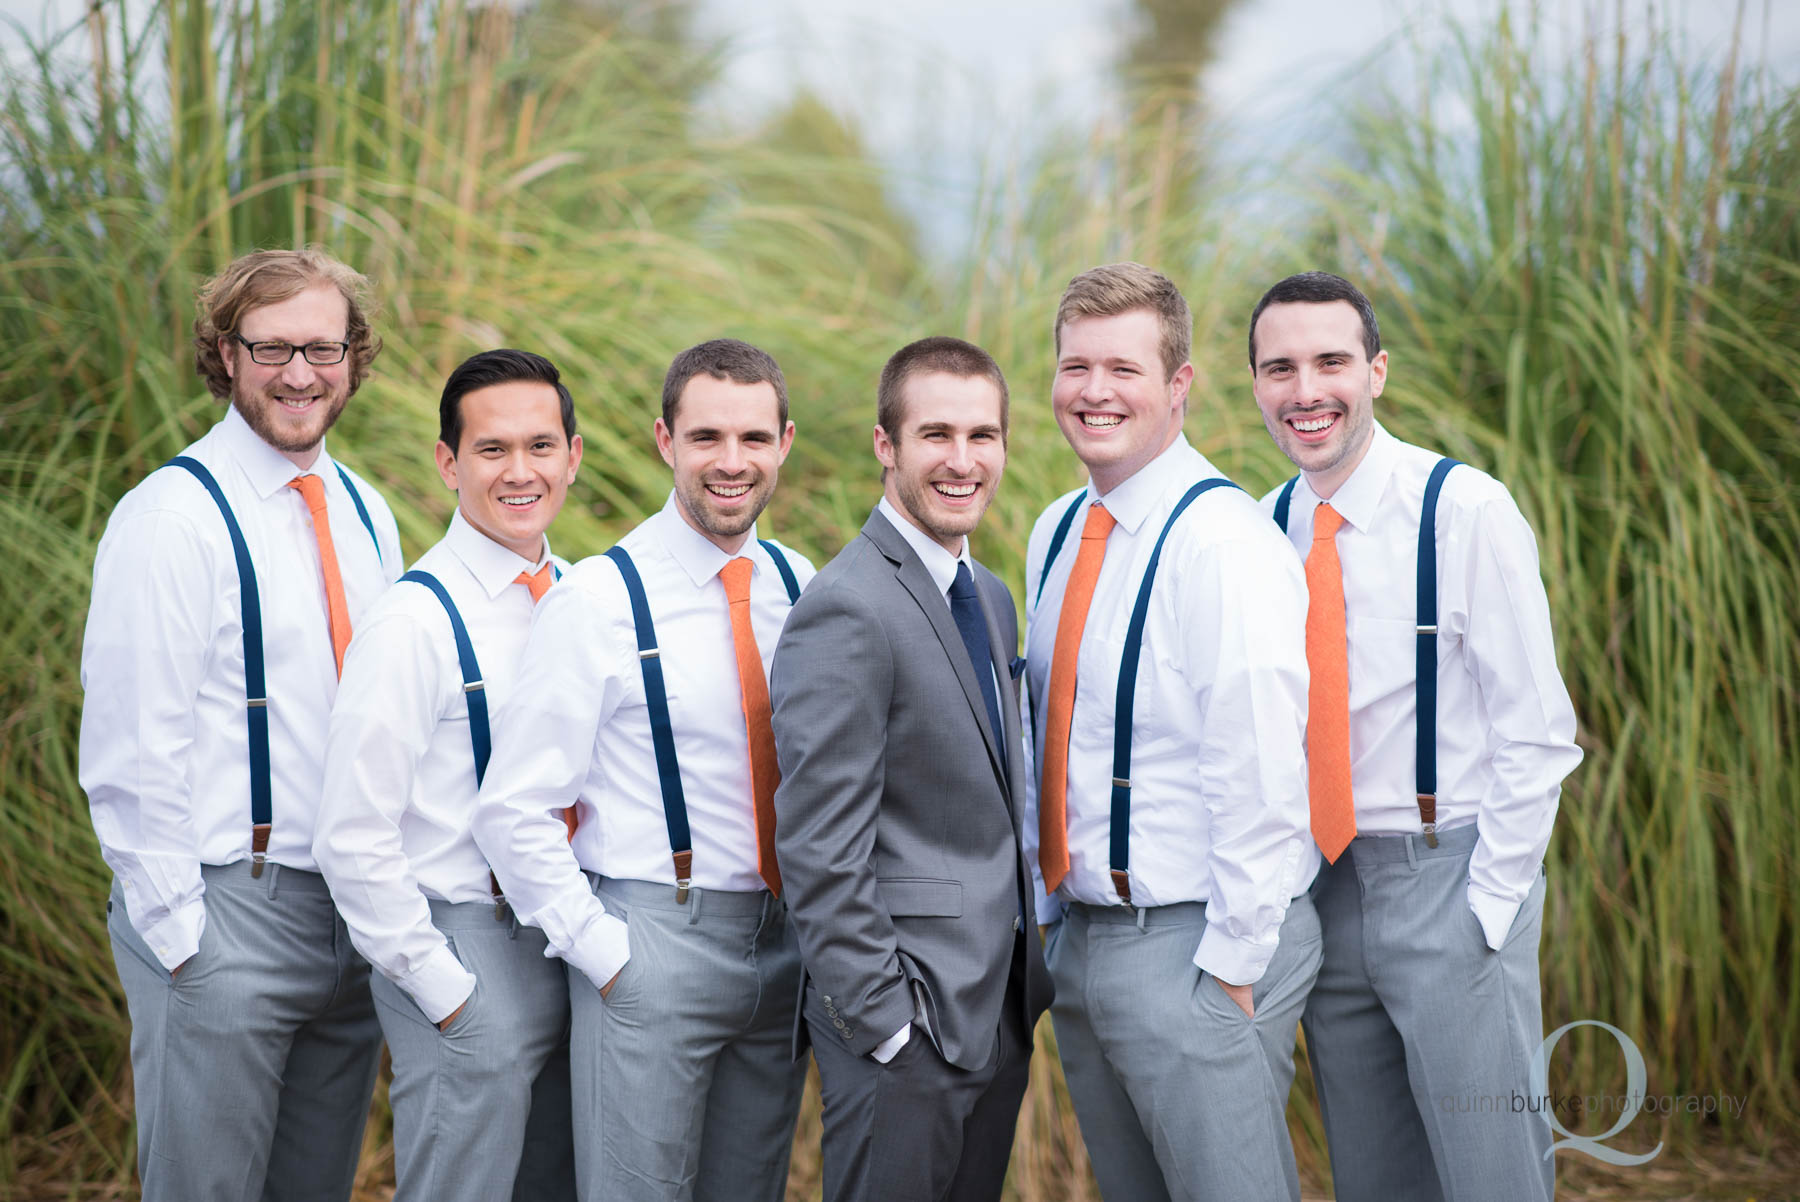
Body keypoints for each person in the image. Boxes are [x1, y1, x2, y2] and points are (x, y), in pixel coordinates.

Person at [1248, 270, 1582, 1202]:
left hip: (1452, 874)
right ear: (1257, 388)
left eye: (1330, 362)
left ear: (1377, 371)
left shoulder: (1464, 509)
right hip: (1327, 885)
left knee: (1491, 1175)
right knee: (1374, 1172)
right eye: (1280, 368)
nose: (1305, 390)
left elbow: (1539, 730)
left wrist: (1491, 903)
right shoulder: (1264, 529)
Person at [78, 247, 402, 1201]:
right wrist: (184, 941)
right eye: (271, 348)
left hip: (349, 918)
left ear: (353, 357)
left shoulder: (365, 512)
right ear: (225, 353)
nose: (300, 373)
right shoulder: (170, 518)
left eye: (322, 347)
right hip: (224, 911)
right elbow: (133, 755)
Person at [469, 338, 814, 1202]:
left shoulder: (800, 586)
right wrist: (609, 956)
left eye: (752, 439)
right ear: (667, 442)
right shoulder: (598, 599)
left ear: (785, 442)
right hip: (652, 940)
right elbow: (513, 812)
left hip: (781, 953)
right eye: (705, 438)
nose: (730, 463)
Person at [1023, 263, 1320, 1202]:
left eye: (1124, 368)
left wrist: (1232, 972)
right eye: (1076, 367)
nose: (1095, 392)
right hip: (1088, 941)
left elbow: (1263, 771)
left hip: (1196, 943)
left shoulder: (1222, 544)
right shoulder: (1058, 529)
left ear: (1181, 384)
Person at [769, 336, 1053, 1202]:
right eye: (935, 435)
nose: (962, 461)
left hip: (997, 1012)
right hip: (907, 1028)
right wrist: (888, 1025)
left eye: (983, 436)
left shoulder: (991, 596)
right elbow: (819, 846)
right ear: (887, 446)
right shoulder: (848, 607)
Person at [315, 348, 583, 1202]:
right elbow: (351, 833)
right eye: (492, 449)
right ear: (448, 462)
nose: (520, 471)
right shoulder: (413, 622)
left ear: (573, 457)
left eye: (541, 446)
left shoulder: (585, 598)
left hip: (573, 942)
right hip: (468, 941)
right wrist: (445, 993)